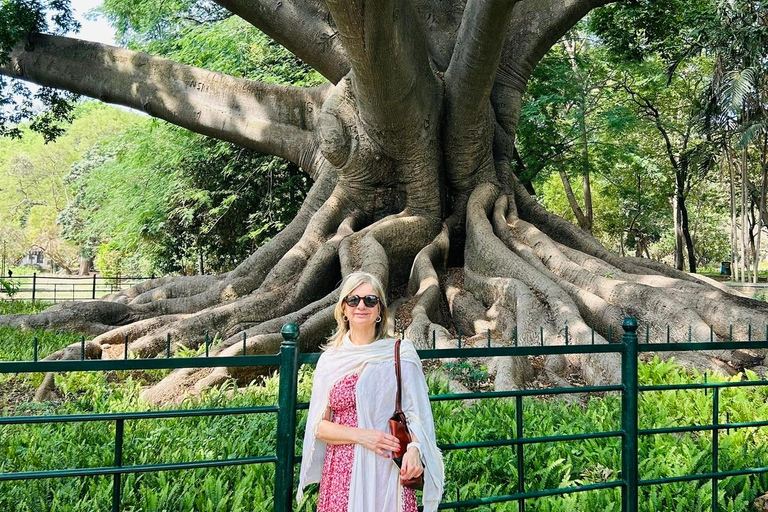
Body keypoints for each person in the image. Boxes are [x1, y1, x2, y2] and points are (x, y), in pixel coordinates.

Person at [298, 272, 444, 512]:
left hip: (388, 468)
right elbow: (318, 427)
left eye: (370, 300)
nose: (361, 306)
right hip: (342, 471)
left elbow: (417, 412)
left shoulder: (400, 353)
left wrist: (415, 450)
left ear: (380, 310)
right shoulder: (331, 360)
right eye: (353, 300)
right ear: (343, 309)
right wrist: (362, 435)